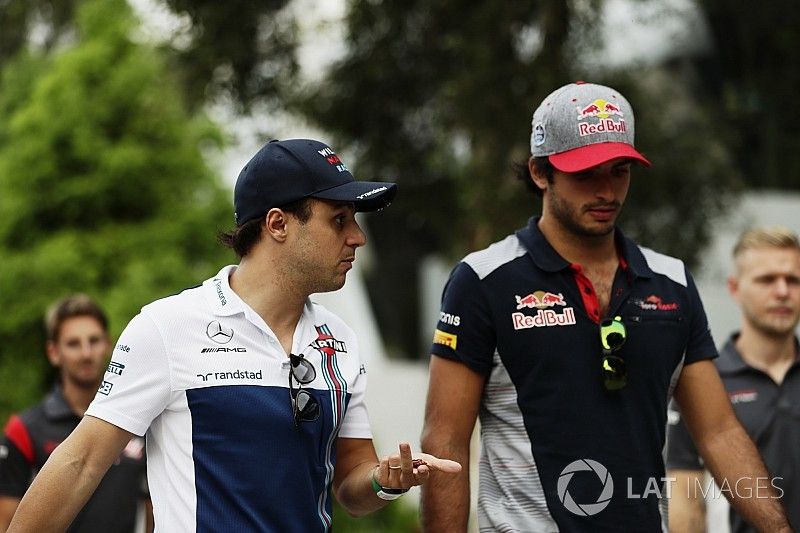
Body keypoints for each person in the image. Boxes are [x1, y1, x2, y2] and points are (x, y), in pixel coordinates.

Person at [7, 139, 461, 532]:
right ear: (278, 224)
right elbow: (81, 463)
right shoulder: (167, 326)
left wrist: (385, 480)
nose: (357, 237)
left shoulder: (340, 339)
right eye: (339, 220)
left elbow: (351, 487)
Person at [419, 82, 793, 531]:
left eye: (619, 171)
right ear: (540, 172)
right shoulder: (484, 279)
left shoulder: (671, 281)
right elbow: (445, 443)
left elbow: (719, 432)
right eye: (586, 173)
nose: (607, 191)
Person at [667, 227, 800, 533]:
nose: (782, 291)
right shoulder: (703, 381)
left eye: (793, 280)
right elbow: (686, 497)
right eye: (767, 279)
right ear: (735, 288)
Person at [0, 295, 152, 532]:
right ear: (53, 352)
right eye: (73, 344)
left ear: (109, 344)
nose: (86, 353)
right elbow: (7, 524)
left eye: (94, 340)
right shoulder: (23, 431)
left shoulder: (139, 422)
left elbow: (155, 509)